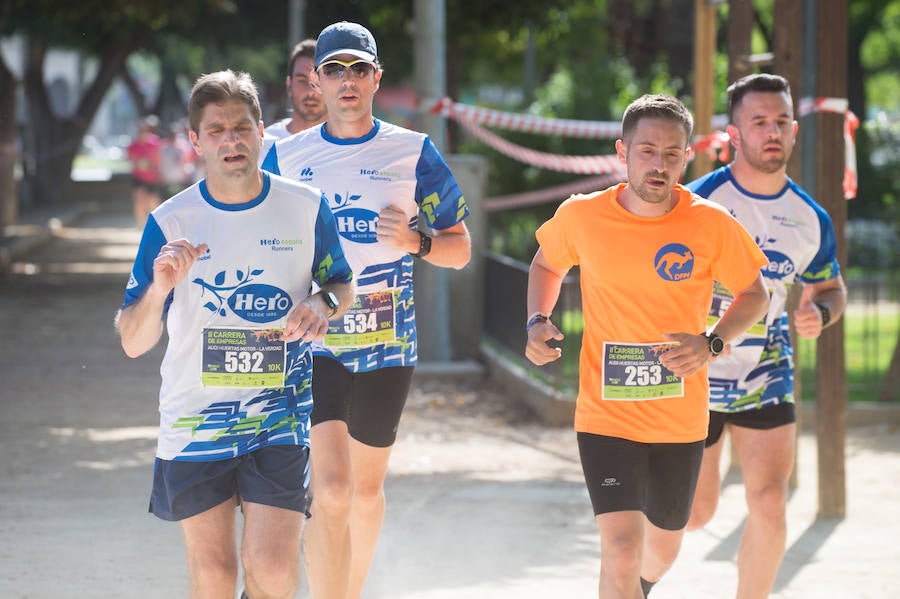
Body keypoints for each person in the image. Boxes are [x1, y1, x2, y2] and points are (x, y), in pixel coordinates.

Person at [115, 69, 355, 599]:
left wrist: (323, 300)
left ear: (262, 133)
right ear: (196, 141)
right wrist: (158, 290)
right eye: (217, 130)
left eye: (242, 128)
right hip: (196, 418)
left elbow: (342, 284)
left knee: (272, 571)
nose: (231, 140)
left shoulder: (305, 207)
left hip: (279, 413)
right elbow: (133, 339)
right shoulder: (171, 221)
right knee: (217, 576)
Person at [525, 94, 771, 599]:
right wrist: (536, 320)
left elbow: (756, 295)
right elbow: (547, 264)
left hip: (679, 421)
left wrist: (712, 342)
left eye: (671, 154)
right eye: (647, 151)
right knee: (619, 549)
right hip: (605, 415)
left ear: (687, 157)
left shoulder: (710, 224)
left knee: (660, 551)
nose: (659, 165)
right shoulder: (582, 216)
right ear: (623, 152)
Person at [261, 21, 471, 599]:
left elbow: (460, 250)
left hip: (387, 344)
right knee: (329, 488)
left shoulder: (413, 152)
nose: (346, 80)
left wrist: (417, 243)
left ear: (376, 78)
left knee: (364, 492)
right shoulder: (282, 155)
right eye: (334, 70)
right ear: (316, 83)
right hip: (316, 343)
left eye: (358, 69)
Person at [685, 73, 847, 599]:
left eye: (780, 121)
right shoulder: (696, 204)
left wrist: (819, 314)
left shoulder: (810, 218)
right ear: (733, 134)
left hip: (767, 374)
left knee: (771, 500)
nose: (771, 131)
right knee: (694, 513)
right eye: (758, 122)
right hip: (696, 372)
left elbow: (831, 288)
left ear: (795, 130)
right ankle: (631, 579)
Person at [265, 39, 327, 139]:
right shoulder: (264, 144)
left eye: (318, 81)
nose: (310, 91)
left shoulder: (350, 146)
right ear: (289, 86)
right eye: (302, 80)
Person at [126, 114, 162, 228]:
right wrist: (140, 163)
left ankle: (155, 225)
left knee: (152, 202)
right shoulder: (133, 145)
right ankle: (142, 226)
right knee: (139, 201)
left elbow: (157, 160)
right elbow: (131, 161)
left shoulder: (154, 142)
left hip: (152, 177)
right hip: (138, 177)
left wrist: (149, 164)